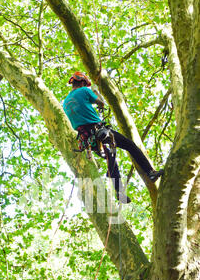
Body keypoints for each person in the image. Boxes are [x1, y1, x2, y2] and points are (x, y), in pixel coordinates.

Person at [63, 71, 164, 203]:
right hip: (98, 130)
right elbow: (101, 103)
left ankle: (119, 193)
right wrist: (95, 91)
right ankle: (150, 172)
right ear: (82, 82)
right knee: (130, 145)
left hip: (87, 140)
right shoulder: (84, 91)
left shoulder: (65, 102)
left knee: (111, 159)